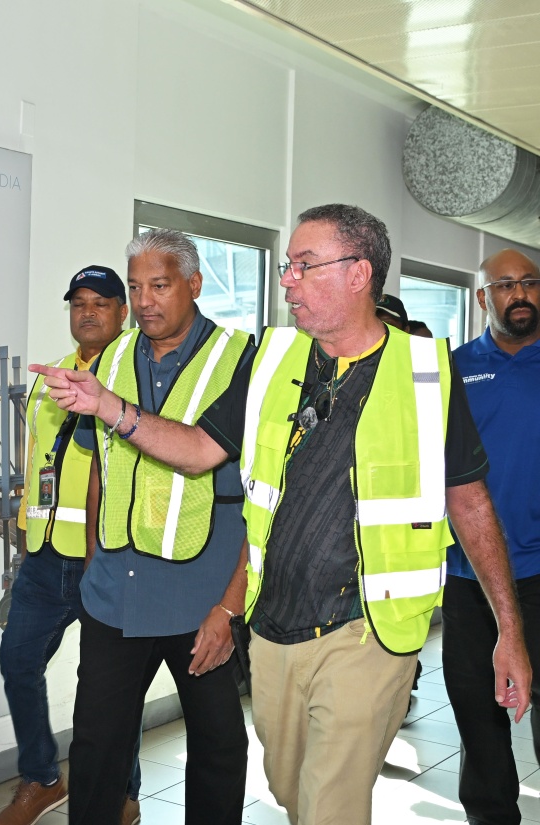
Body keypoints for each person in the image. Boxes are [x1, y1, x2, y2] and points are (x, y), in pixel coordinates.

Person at [32, 204, 531, 825]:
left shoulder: (424, 373)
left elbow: (470, 502)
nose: (286, 279)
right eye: (287, 265)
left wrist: (508, 631)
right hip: (274, 632)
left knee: (328, 806)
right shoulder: (270, 363)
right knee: (292, 789)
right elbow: (194, 453)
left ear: (358, 274)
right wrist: (109, 406)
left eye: (303, 265)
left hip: (367, 628)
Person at [65, 229, 251, 825]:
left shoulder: (242, 363)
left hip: (203, 601)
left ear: (194, 285)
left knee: (218, 750)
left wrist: (229, 607)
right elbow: (99, 467)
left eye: (160, 285)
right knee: (96, 749)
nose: (145, 301)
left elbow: (268, 500)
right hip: (115, 596)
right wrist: (95, 558)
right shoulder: (112, 359)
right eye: (137, 287)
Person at [0, 265, 144, 825]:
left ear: (122, 312)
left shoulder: (135, 377)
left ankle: (122, 791)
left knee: (106, 688)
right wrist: (29, 534)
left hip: (106, 559)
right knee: (17, 662)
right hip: (46, 556)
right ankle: (41, 777)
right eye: (78, 302)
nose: (87, 311)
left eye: (101, 302)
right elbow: (37, 456)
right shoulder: (48, 375)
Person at [444, 248, 540, 825]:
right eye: (504, 285)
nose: (519, 294)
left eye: (529, 282)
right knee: (478, 718)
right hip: (468, 577)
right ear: (484, 298)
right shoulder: (451, 370)